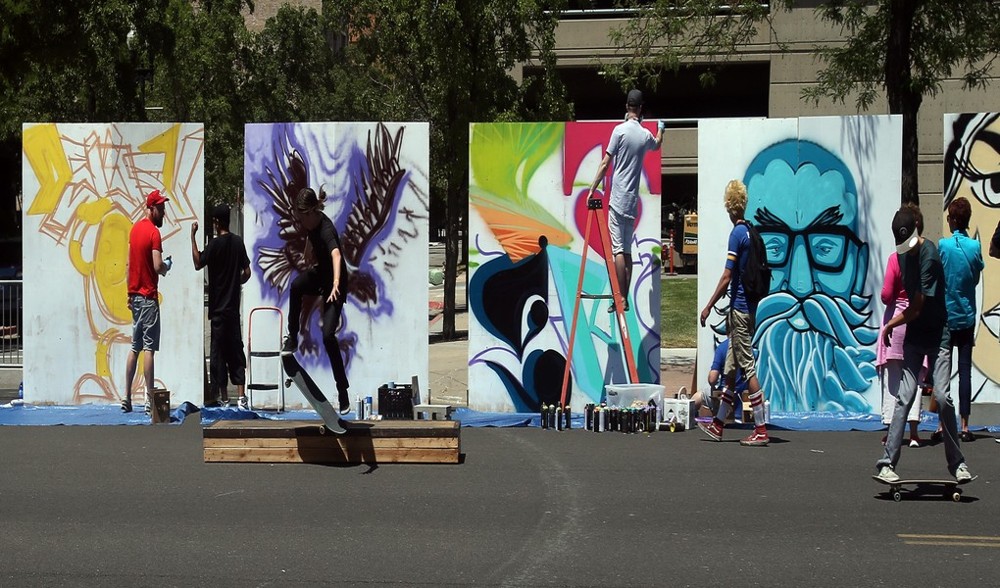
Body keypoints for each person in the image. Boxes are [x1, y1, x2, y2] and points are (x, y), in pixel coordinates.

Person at [875, 206, 973, 483]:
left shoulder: (930, 254)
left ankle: (958, 464)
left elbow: (917, 307)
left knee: (942, 397)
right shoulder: (901, 255)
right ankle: (887, 463)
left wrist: (890, 325)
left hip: (938, 336)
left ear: (917, 231)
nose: (906, 251)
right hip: (914, 338)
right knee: (904, 397)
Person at [698, 179, 770, 446]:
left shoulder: (737, 234)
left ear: (729, 206)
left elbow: (727, 276)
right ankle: (718, 424)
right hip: (748, 308)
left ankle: (760, 429)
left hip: (739, 310)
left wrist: (708, 306)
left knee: (747, 369)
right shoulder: (750, 231)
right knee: (730, 369)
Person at [586, 89, 664, 313]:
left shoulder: (619, 131)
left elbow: (605, 163)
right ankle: (625, 298)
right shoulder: (644, 135)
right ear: (640, 109)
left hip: (617, 199)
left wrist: (592, 188)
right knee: (627, 251)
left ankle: (619, 298)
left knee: (618, 251)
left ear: (626, 107)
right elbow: (657, 143)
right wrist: (661, 128)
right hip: (631, 202)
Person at [281, 188, 351, 414]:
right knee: (296, 286)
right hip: (321, 275)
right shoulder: (311, 225)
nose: (301, 222)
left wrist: (336, 283)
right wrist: (307, 252)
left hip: (335, 285)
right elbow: (311, 239)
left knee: (328, 336)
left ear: (311, 212)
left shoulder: (326, 229)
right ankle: (293, 337)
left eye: (302, 218)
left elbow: (336, 255)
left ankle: (342, 391)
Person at [191, 204, 251, 409]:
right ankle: (241, 397)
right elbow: (247, 272)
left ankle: (224, 397)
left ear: (217, 222)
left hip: (217, 311)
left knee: (219, 355)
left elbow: (198, 263)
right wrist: (236, 282)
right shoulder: (238, 243)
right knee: (236, 352)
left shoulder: (214, 245)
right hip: (232, 310)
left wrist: (193, 237)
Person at [937, 196, 983, 442]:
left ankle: (942, 424)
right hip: (967, 315)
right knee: (965, 371)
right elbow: (975, 278)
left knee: (943, 371)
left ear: (953, 220)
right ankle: (965, 425)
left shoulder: (943, 246)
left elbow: (938, 276)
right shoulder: (974, 247)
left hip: (946, 315)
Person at [123, 189, 172, 413]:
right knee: (149, 349)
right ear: (151, 208)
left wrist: (129, 292)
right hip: (149, 297)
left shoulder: (135, 230)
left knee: (135, 347)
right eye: (160, 208)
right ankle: (149, 399)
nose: (163, 212)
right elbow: (157, 265)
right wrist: (166, 266)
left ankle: (126, 397)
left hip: (135, 296)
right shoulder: (154, 233)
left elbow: (129, 264)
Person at [877, 247, 923, 447]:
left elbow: (886, 295)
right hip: (917, 320)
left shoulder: (895, 259)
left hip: (895, 319)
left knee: (892, 379)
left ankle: (891, 432)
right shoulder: (923, 258)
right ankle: (914, 433)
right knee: (916, 377)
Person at [693, 338, 749, 417]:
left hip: (725, 396)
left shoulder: (722, 348)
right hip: (744, 396)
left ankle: (687, 409)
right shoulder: (748, 347)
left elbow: (712, 380)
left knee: (703, 393)